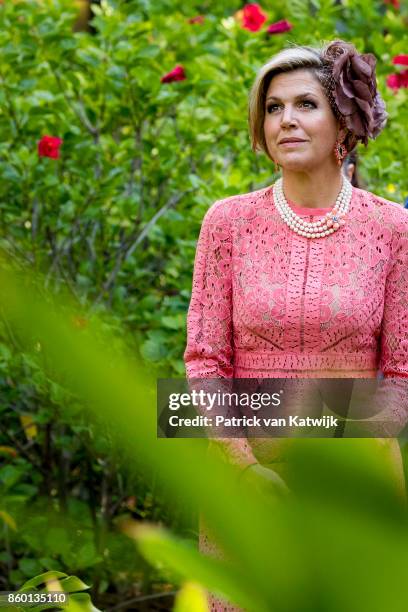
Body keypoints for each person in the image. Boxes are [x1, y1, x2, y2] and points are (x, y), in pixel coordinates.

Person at [184, 39, 408, 611]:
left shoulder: (392, 230)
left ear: (344, 125)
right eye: (273, 107)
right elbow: (205, 361)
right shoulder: (227, 223)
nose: (286, 120)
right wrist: (242, 465)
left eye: (306, 104)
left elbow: (402, 369)